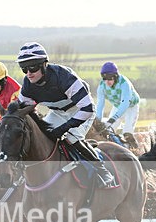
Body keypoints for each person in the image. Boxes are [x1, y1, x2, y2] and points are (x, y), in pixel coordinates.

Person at [15, 42, 114, 187]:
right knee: (42, 137)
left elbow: (86, 108)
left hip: (81, 109)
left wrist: (64, 128)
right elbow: (23, 110)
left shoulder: (62, 77)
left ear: (44, 65)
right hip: (58, 112)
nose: (29, 73)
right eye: (24, 69)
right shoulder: (28, 84)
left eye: (33, 67)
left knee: (70, 138)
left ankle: (102, 169)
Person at [95, 62, 141, 149]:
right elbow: (100, 104)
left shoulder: (124, 83)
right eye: (104, 79)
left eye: (110, 79)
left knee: (127, 132)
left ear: (115, 76)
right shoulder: (102, 86)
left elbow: (125, 103)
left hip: (130, 106)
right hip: (117, 106)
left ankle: (135, 150)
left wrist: (113, 118)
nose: (107, 82)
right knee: (108, 130)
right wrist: (98, 120)